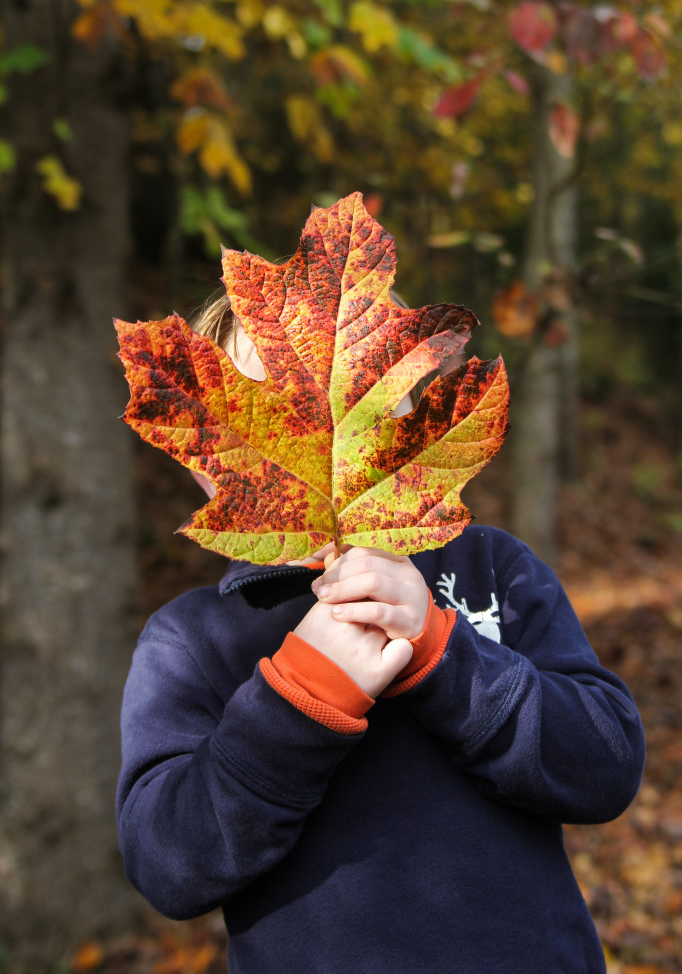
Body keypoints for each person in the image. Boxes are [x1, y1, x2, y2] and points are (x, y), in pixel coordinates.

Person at [116, 292, 645, 974]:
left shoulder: (492, 566)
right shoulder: (191, 640)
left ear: (406, 410)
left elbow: (605, 763)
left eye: (359, 397)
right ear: (203, 453)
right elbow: (169, 866)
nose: (318, 433)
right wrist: (300, 696)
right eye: (263, 411)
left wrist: (442, 649)